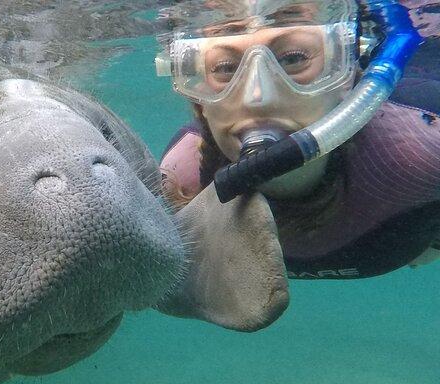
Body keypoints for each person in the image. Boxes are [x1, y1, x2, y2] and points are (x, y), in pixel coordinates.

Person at [156, 0, 440, 279]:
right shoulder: (182, 179)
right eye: (226, 68)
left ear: (347, 76)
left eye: (293, 59)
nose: (258, 98)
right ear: (199, 98)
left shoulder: (423, 143)